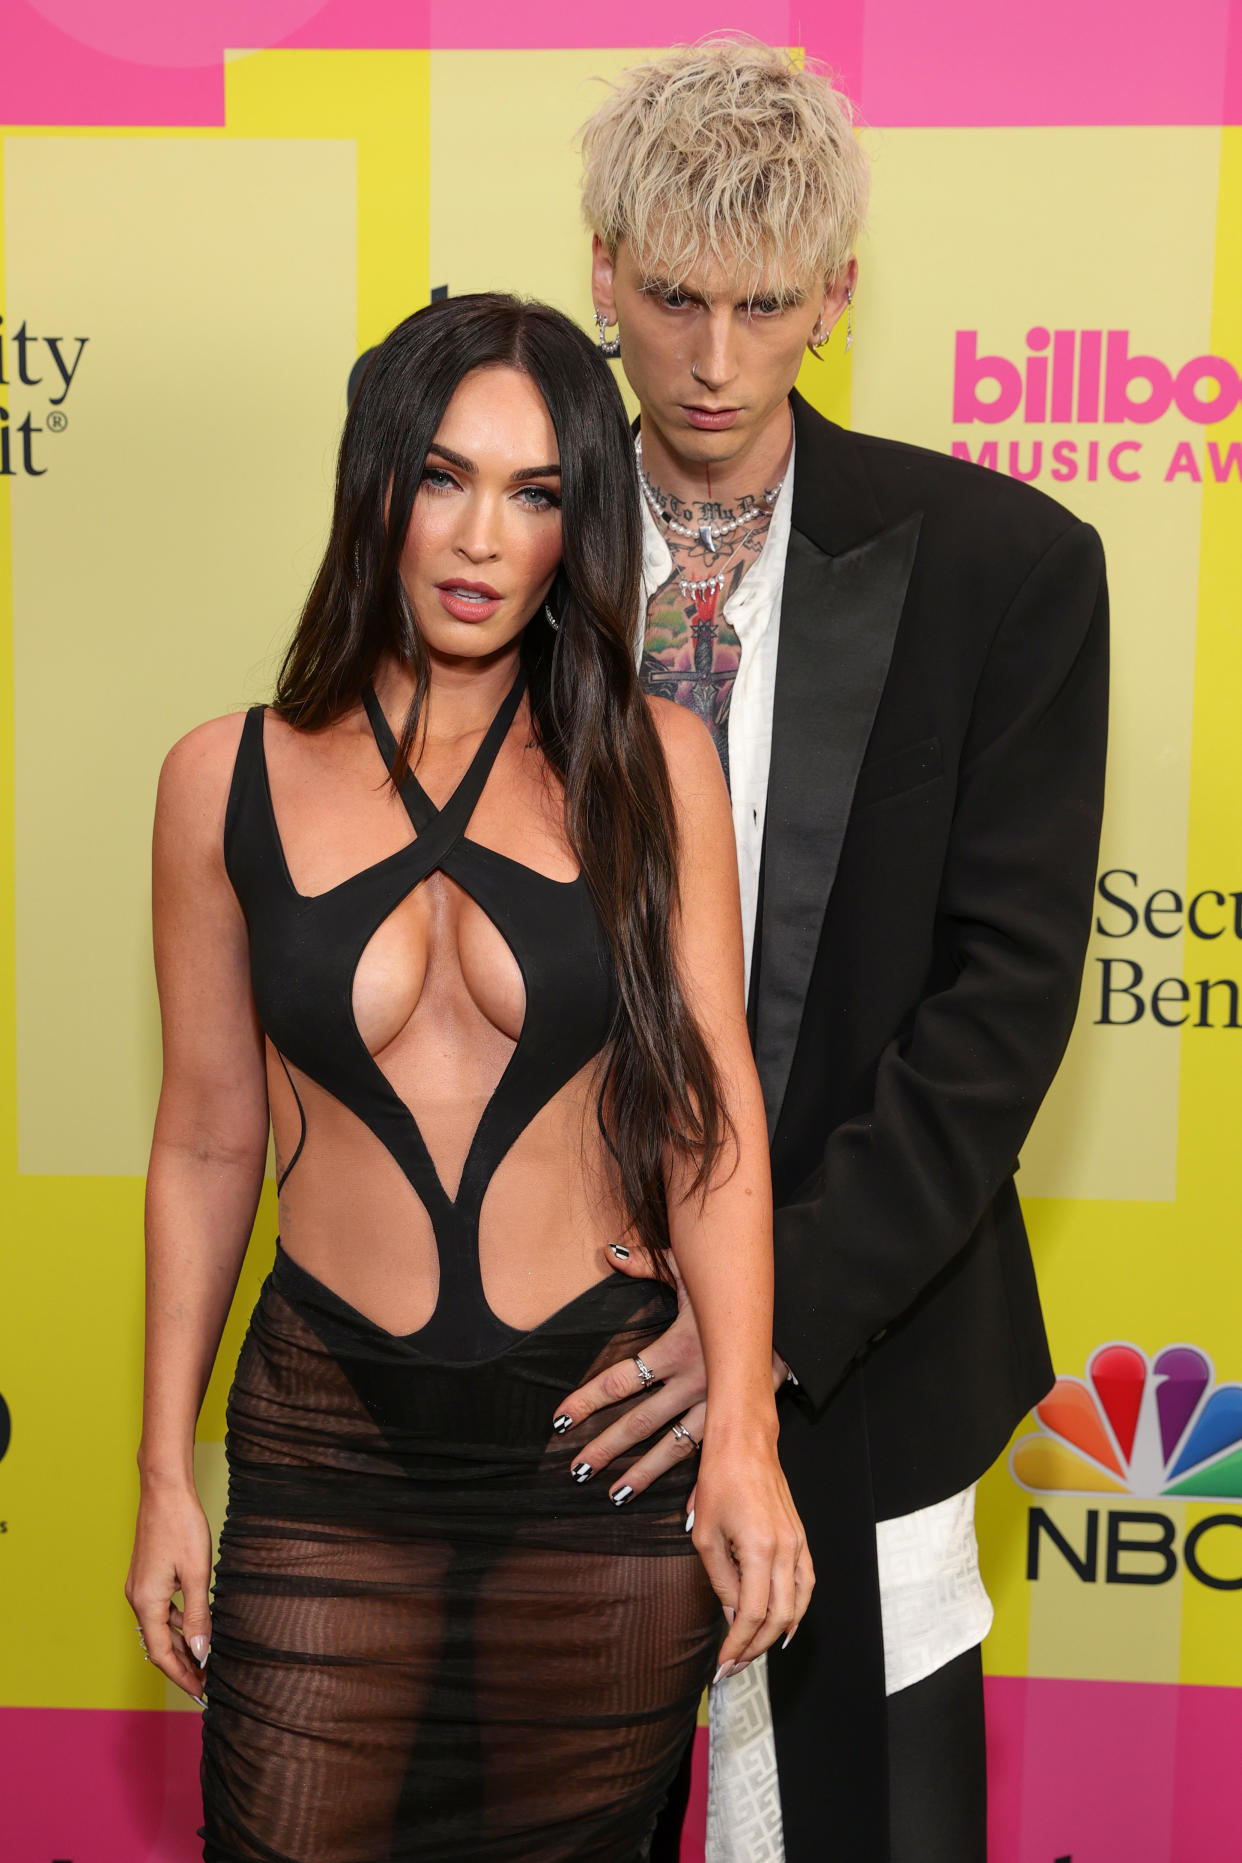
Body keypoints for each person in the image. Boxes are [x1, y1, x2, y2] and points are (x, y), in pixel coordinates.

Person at [124, 292, 814, 1863]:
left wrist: (742, 1440)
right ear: (376, 486)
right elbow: (209, 1141)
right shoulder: (218, 779)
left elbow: (708, 1121)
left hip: (593, 1441)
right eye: (441, 478)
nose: (479, 536)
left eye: (535, 493)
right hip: (327, 1443)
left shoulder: (650, 766)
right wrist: (167, 1472)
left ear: (581, 524)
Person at [550, 39, 1109, 1862]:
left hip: (868, 1353)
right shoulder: (498, 556)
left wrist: (761, 1323)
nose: (713, 361)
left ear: (837, 299)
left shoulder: (1002, 566)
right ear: (602, 270)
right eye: (675, 299)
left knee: (858, 1827)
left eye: (766, 306)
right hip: (538, 1338)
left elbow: (1000, 1004)